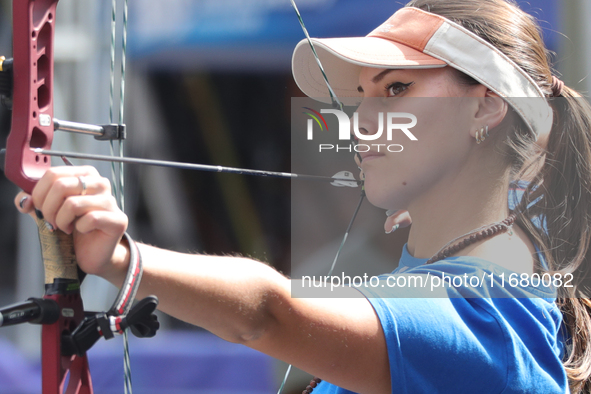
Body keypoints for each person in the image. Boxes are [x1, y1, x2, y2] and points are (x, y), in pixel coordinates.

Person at [14, 0, 591, 393]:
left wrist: (122, 259)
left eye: (396, 88)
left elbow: (270, 312)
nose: (363, 119)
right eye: (361, 95)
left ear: (487, 105)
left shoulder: (495, 313)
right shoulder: (443, 287)